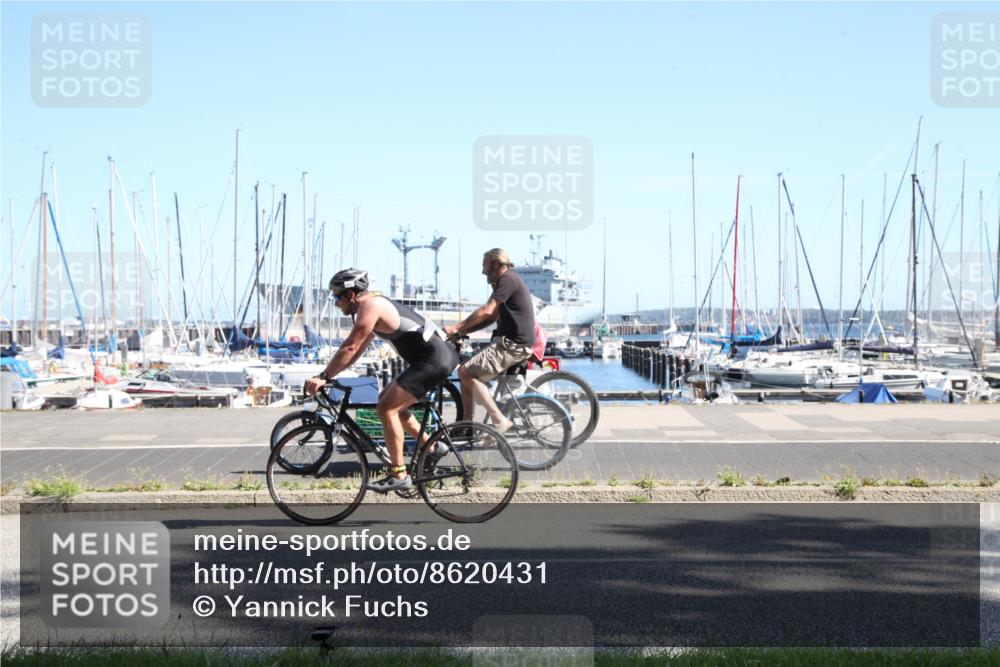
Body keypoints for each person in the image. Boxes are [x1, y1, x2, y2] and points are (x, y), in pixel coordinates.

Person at [304, 268, 459, 493]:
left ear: (351, 294)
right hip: (433, 358)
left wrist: (323, 376)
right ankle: (432, 446)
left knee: (387, 408)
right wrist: (330, 374)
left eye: (337, 296)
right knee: (386, 400)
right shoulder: (370, 307)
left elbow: (350, 346)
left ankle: (399, 474)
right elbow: (356, 351)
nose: (336, 303)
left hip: (434, 359)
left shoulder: (371, 306)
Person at [444, 248, 535, 432]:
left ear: (495, 263)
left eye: (484, 266)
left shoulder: (507, 279)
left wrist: (457, 327)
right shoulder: (505, 281)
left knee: (465, 373)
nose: (483, 271)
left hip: (513, 345)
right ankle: (467, 425)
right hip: (512, 343)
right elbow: (492, 316)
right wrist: (464, 331)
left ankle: (498, 420)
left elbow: (487, 309)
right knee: (467, 372)